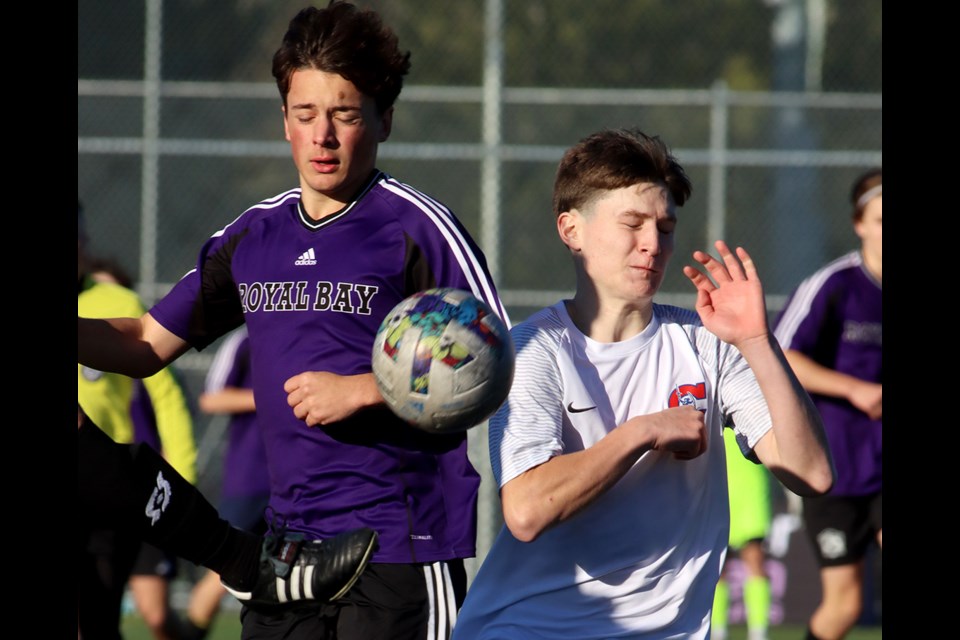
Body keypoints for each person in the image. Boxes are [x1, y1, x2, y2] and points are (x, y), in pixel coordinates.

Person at [78, 2, 508, 638]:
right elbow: (145, 341)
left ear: (384, 119)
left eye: (345, 115)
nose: (323, 136)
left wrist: (367, 388)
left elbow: (493, 354)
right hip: (284, 557)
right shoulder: (254, 236)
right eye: (306, 115)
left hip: (400, 550)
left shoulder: (415, 227)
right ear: (284, 121)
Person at [450, 128, 834, 640]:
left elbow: (812, 474)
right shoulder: (533, 348)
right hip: (531, 628)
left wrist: (758, 342)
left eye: (666, 227)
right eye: (632, 222)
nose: (653, 243)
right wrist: (642, 431)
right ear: (571, 230)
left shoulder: (707, 343)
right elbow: (526, 510)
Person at [78, 205, 199, 640]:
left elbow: (166, 396)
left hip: (107, 484)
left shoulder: (118, 303)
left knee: (138, 617)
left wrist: (180, 475)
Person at [773, 168, 882, 640]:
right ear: (860, 224)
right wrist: (853, 388)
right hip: (834, 469)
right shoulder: (833, 285)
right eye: (881, 219)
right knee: (844, 606)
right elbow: (780, 355)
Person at [181, 327, 271, 640]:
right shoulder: (245, 340)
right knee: (222, 570)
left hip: (304, 480)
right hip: (251, 480)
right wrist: (270, 397)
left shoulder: (315, 331)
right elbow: (212, 398)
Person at [712, 427, 774, 640]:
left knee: (755, 557)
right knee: (716, 564)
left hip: (750, 483)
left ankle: (758, 633)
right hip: (716, 480)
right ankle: (717, 632)